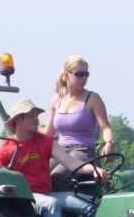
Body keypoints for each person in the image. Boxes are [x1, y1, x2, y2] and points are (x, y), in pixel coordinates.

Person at [0, 99, 108, 217]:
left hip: (47, 193)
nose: (37, 120)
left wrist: (94, 170)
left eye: (37, 116)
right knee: (51, 205)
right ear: (19, 120)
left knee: (93, 205)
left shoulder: (45, 141)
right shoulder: (5, 149)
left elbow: (70, 162)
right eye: (32, 116)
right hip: (27, 198)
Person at [43, 55, 116, 192]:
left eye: (86, 74)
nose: (84, 78)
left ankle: (64, 211)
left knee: (57, 177)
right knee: (37, 174)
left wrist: (109, 143)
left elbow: (105, 127)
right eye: (79, 74)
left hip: (83, 151)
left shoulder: (92, 98)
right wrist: (22, 127)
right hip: (60, 151)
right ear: (67, 75)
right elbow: (48, 133)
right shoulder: (56, 100)